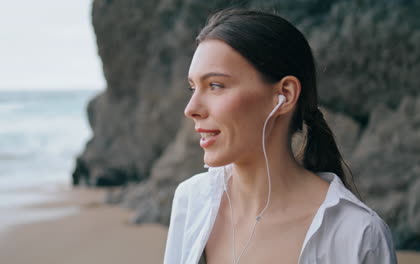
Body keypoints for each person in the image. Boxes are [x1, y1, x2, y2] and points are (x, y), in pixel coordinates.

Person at [163, 8, 397, 264]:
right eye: (193, 88)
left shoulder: (357, 235)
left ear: (284, 94)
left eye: (215, 86)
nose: (191, 109)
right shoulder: (192, 202)